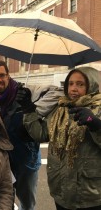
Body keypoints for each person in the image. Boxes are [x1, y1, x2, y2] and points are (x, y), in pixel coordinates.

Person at [22, 67, 101, 210]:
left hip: (90, 194)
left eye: (80, 84)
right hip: (61, 190)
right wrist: (28, 110)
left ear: (92, 85)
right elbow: (41, 134)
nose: (74, 88)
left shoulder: (98, 108)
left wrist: (96, 124)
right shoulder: (59, 108)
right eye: (70, 84)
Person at [0, 60, 41, 210]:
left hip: (25, 160)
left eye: (2, 75)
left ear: (8, 76)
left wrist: (29, 107)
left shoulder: (24, 94)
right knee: (3, 203)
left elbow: (41, 124)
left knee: (28, 203)